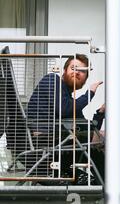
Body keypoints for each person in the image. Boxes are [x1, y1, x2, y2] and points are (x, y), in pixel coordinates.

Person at [27, 54, 105, 183]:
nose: (77, 72)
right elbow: (64, 109)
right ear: (64, 71)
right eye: (73, 68)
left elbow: (88, 128)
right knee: (101, 144)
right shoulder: (52, 80)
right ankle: (113, 188)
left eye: (83, 71)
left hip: (59, 146)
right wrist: (89, 93)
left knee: (100, 142)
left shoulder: (68, 100)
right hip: (45, 146)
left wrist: (100, 113)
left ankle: (108, 187)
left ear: (85, 79)